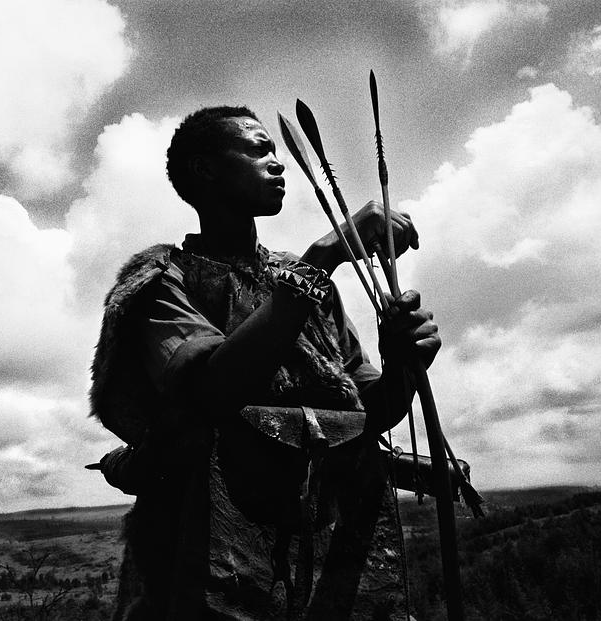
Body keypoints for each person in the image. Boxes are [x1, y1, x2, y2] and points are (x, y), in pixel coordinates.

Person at [89, 106, 440, 620]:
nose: (277, 164)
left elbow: (371, 413)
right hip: (206, 552)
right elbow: (213, 392)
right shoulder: (160, 281)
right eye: (257, 149)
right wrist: (321, 258)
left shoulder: (310, 290)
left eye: (276, 151)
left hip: (324, 551)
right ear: (204, 169)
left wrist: (403, 364)